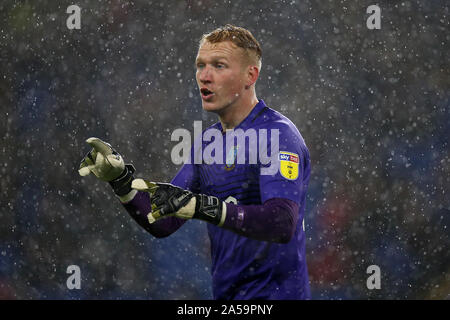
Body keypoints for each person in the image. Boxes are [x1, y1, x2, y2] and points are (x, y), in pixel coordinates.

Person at [79, 24, 311, 300]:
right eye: (200, 65)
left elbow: (281, 223)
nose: (205, 76)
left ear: (251, 75)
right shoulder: (207, 143)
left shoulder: (278, 134)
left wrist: (206, 208)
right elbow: (162, 221)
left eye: (219, 65)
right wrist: (120, 181)